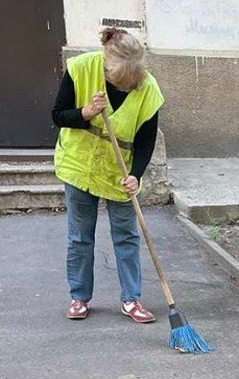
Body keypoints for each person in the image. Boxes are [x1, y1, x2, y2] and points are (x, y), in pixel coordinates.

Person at [51, 28, 164, 323]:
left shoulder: (148, 88)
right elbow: (57, 115)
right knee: (80, 237)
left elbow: (146, 139)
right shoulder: (81, 68)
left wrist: (136, 175)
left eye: (132, 81)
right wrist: (86, 112)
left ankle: (131, 299)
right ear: (107, 64)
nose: (128, 86)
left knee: (127, 236)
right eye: (122, 82)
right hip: (80, 165)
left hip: (119, 171)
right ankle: (79, 297)